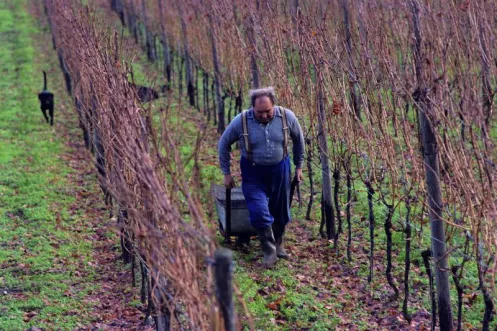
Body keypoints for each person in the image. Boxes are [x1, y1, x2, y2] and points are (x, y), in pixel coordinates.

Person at [218, 87, 305, 268]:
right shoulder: (241, 121)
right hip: (253, 172)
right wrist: (226, 173)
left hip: (280, 169)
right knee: (258, 211)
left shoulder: (287, 117)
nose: (265, 115)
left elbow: (299, 140)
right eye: (260, 112)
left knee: (280, 211)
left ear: (274, 106)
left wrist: (299, 167)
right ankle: (268, 250)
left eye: (268, 111)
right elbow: (224, 144)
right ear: (252, 109)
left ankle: (279, 245)